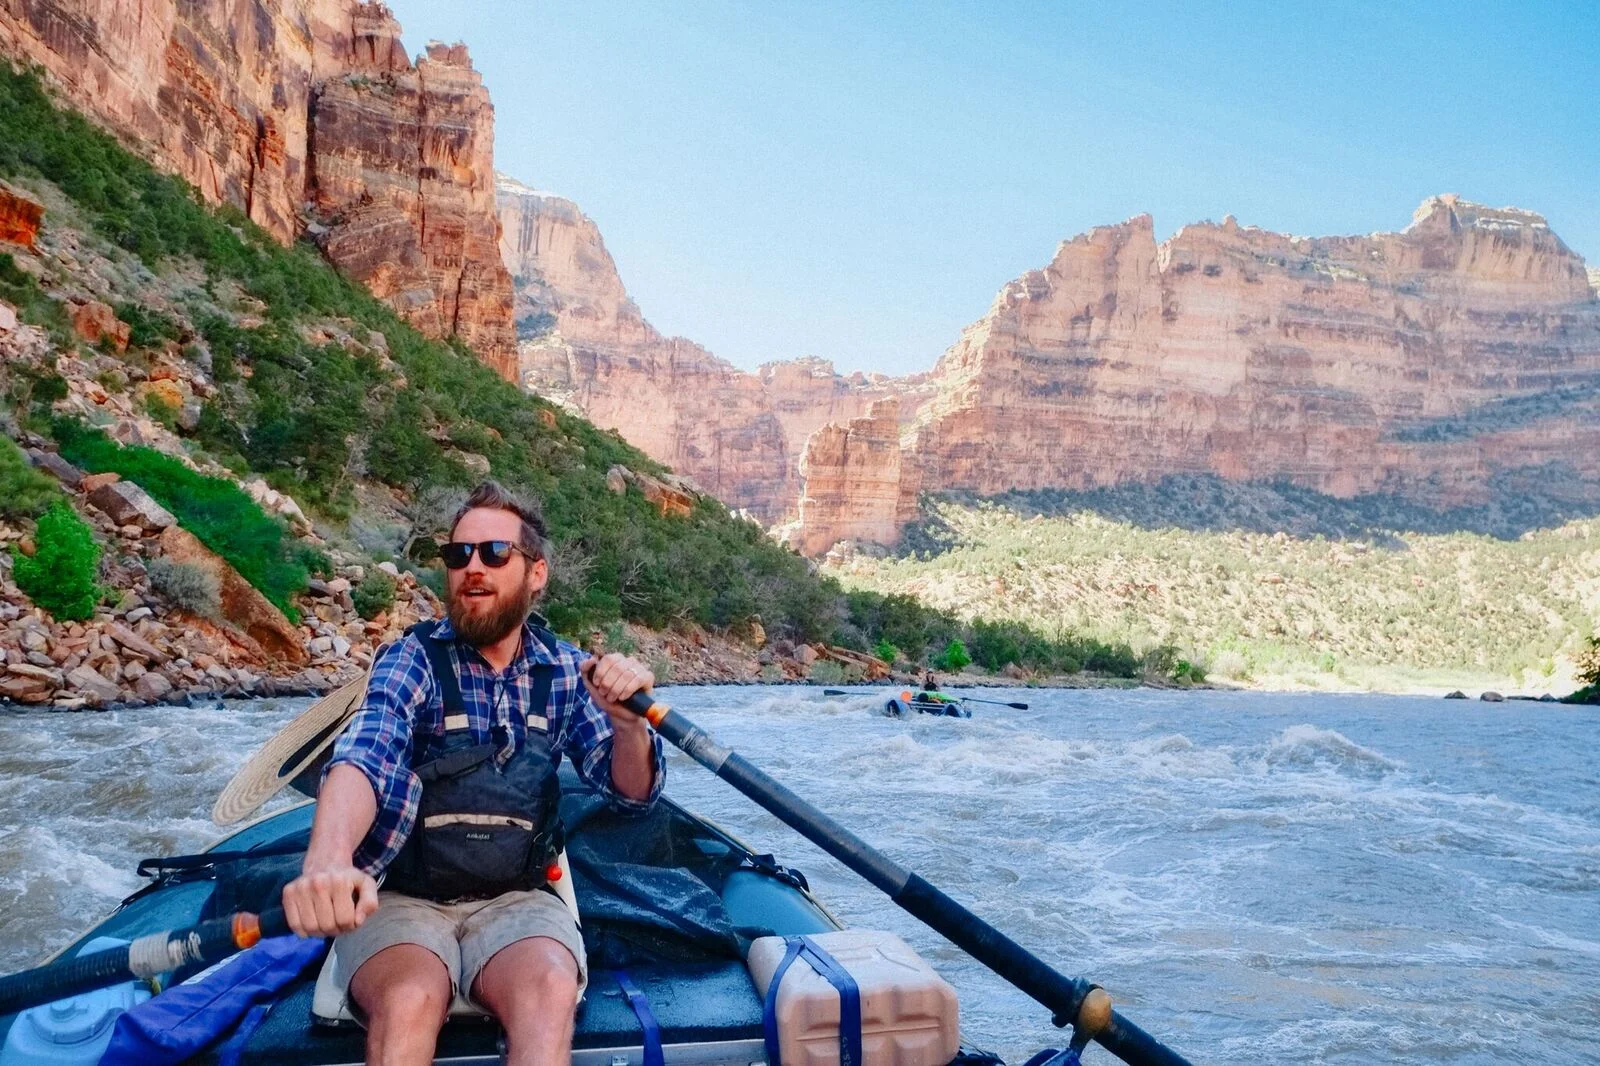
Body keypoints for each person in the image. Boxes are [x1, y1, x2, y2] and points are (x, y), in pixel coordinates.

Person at [281, 481, 665, 1066]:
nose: (472, 569)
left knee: (547, 990)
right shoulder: (411, 659)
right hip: (402, 900)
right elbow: (365, 756)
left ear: (536, 572)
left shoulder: (564, 669)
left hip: (518, 900)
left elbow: (632, 796)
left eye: (494, 553)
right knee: (410, 997)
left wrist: (628, 725)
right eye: (458, 555)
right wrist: (328, 861)